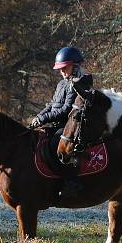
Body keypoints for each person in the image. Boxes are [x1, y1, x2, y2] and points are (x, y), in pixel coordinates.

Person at [29, 46, 87, 199]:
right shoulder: (62, 84)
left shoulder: (77, 84)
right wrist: (38, 117)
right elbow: (52, 105)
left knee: (56, 144)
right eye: (60, 69)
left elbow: (65, 110)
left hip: (70, 125)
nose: (62, 72)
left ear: (74, 66)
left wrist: (43, 119)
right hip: (55, 123)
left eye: (64, 68)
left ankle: (71, 182)